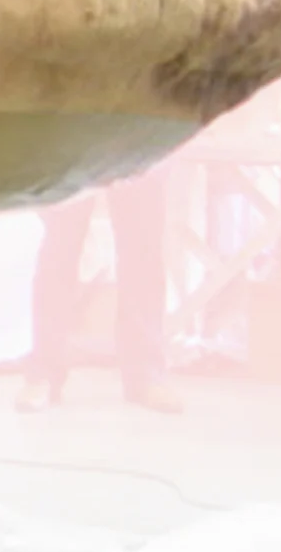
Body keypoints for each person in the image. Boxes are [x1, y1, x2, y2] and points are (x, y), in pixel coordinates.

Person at [15, 163, 184, 413]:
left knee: (143, 250)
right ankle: (43, 372)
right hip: (74, 145)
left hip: (137, 145)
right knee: (59, 248)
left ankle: (147, 375)